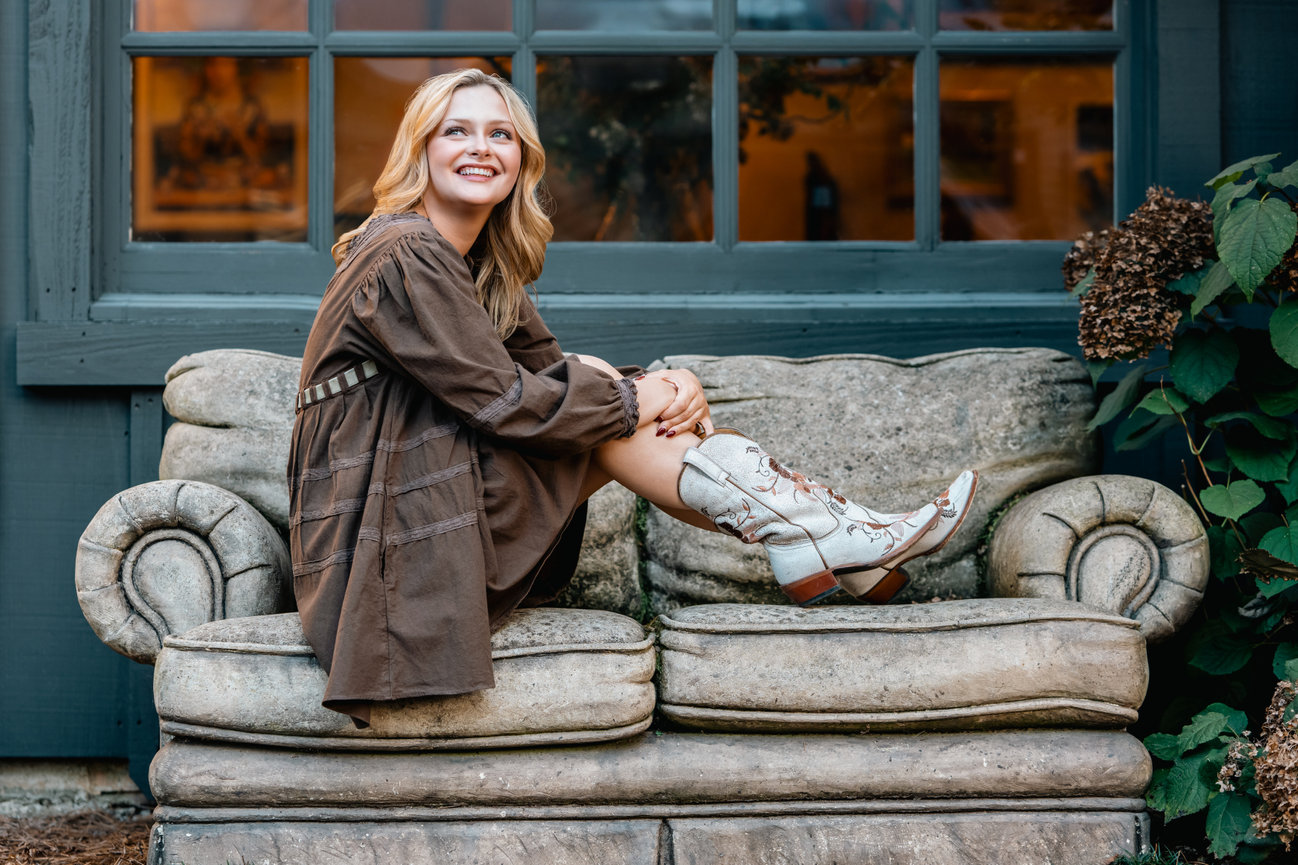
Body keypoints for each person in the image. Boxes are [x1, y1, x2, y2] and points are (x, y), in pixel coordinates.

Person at [288, 69, 977, 727]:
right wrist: (644, 394)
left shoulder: (478, 265)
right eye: (456, 131)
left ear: (521, 159)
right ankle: (822, 532)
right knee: (604, 397)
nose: (480, 148)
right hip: (381, 546)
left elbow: (555, 380)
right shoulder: (405, 250)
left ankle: (816, 533)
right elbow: (509, 404)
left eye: (500, 135)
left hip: (428, 507)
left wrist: (660, 390)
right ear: (421, 148)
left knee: (596, 386)